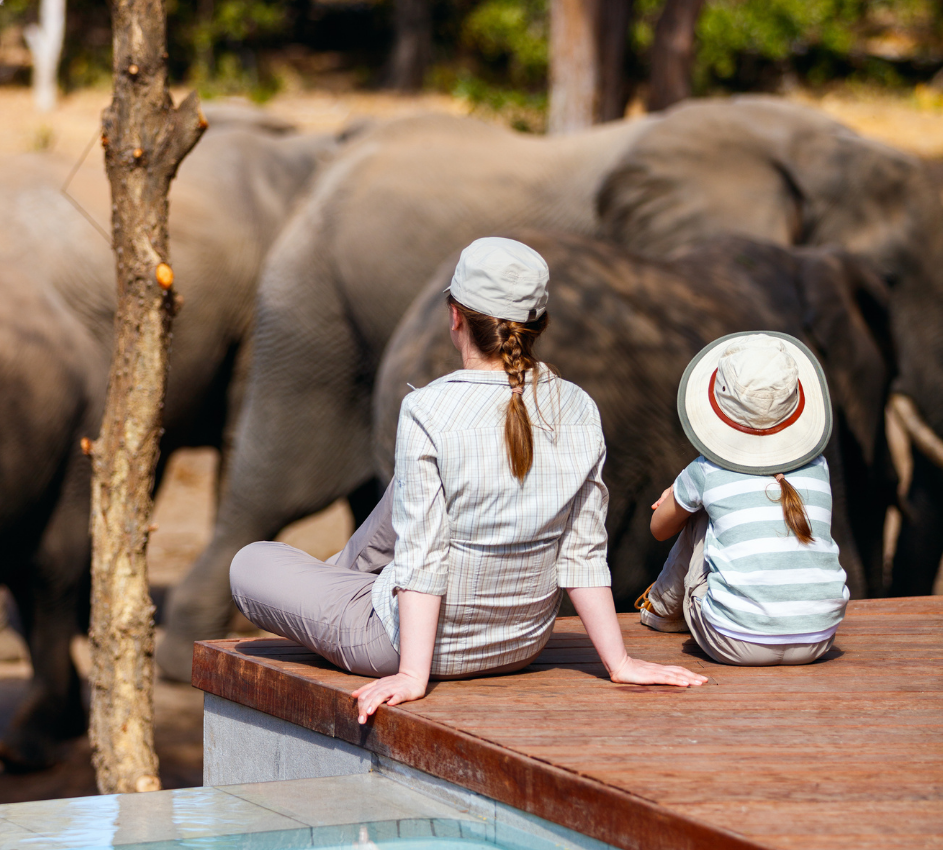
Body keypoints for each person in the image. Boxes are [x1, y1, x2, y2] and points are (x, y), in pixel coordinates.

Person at [230, 236, 706, 722]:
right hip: (521, 644)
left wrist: (413, 674)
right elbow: (583, 552)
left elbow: (421, 554)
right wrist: (619, 662)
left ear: (455, 316)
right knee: (409, 491)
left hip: (405, 645)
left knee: (251, 560)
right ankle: (342, 579)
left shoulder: (427, 409)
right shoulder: (580, 408)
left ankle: (338, 583)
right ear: (536, 325)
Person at [638, 330, 849, 666]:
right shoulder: (819, 466)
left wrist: (677, 493)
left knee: (701, 514)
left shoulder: (706, 471)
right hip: (819, 639)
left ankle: (662, 610)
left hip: (732, 639)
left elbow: (659, 529)